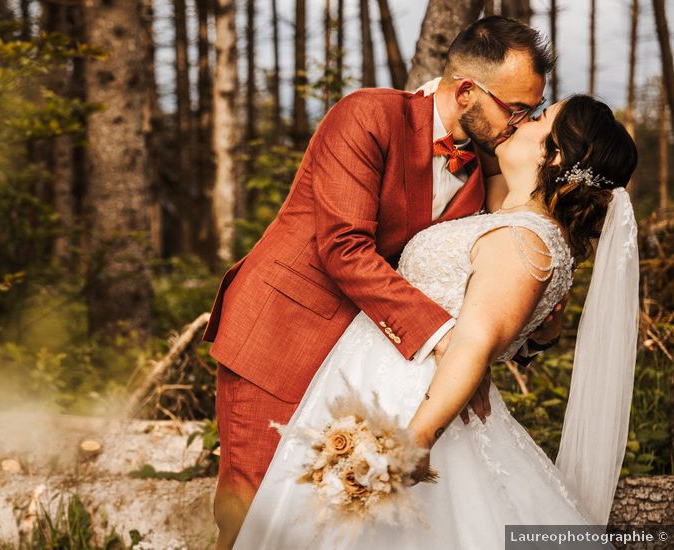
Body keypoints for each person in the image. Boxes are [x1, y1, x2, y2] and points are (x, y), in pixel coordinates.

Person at [201, 17, 561, 549]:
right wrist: (448, 342)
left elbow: (500, 261)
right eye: (516, 110)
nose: (521, 124)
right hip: (280, 337)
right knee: (253, 511)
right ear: (466, 92)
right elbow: (343, 249)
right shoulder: (368, 114)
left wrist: (513, 331)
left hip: (363, 362)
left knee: (326, 514)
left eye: (532, 111)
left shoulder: (485, 168)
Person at [234, 94, 639, 548]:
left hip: (411, 403)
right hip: (373, 378)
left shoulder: (524, 241)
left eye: (540, 117)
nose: (520, 119)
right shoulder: (519, 219)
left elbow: (475, 341)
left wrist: (417, 439)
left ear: (556, 153)